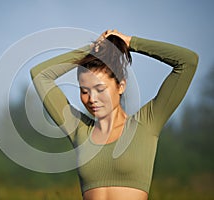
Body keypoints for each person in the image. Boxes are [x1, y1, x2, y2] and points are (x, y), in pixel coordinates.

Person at [30, 30, 198, 200]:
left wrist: (130, 42)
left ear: (121, 86)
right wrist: (91, 49)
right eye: (84, 91)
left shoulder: (146, 123)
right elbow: (40, 75)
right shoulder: (79, 130)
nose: (92, 99)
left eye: (100, 89)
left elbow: (188, 61)